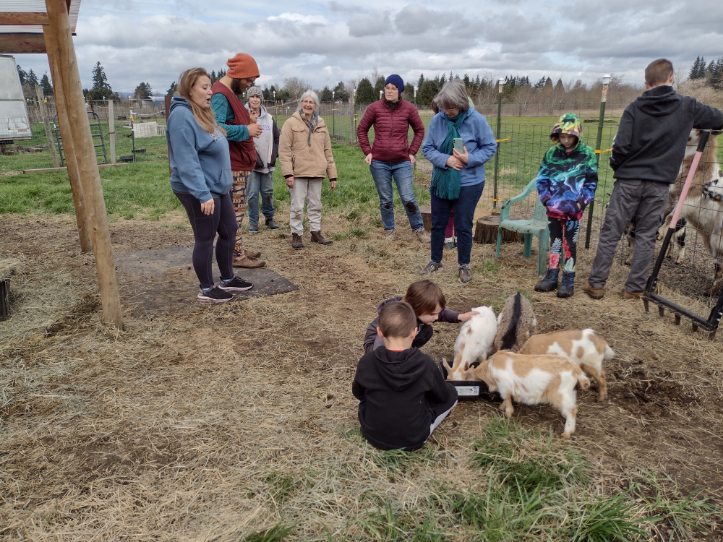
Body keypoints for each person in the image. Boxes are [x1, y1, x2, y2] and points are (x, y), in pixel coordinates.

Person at [584, 59, 723, 300]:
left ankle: (597, 284)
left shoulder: (634, 108)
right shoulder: (687, 107)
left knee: (611, 232)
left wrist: (620, 167)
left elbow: (620, 147)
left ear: (646, 83)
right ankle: (634, 288)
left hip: (628, 181)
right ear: (671, 79)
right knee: (647, 236)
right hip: (660, 184)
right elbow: (719, 120)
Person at [167, 68, 253, 303]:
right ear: (189, 89)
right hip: (198, 188)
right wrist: (202, 194)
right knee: (205, 236)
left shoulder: (202, 112)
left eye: (210, 86)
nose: (210, 92)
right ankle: (206, 288)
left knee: (229, 230)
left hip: (218, 185)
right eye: (204, 87)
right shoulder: (182, 117)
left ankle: (227, 278)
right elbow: (186, 161)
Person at [353, 300, 458, 451]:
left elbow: (358, 393)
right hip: (414, 439)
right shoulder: (426, 364)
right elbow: (442, 397)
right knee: (452, 394)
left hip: (372, 435)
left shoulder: (366, 361)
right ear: (414, 332)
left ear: (380, 332)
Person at [422, 80, 497, 283]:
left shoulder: (476, 120)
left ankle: (464, 265)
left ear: (462, 103)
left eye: (452, 107)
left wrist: (469, 159)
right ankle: (435, 260)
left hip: (469, 183)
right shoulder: (438, 120)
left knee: (463, 224)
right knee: (438, 223)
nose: (447, 111)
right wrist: (445, 160)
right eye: (444, 107)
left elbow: (490, 147)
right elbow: (427, 148)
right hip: (442, 181)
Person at [357, 74, 428, 242]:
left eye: (393, 88)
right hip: (379, 163)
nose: (389, 91)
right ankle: (389, 230)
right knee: (386, 199)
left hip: (402, 162)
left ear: (399, 91)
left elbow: (419, 130)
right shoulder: (374, 108)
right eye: (387, 88)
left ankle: (418, 229)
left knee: (408, 197)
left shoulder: (409, 108)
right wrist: (368, 152)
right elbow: (361, 129)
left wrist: (412, 152)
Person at [533, 113, 598, 298]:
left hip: (573, 211)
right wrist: (546, 199)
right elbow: (542, 178)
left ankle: (568, 279)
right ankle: (551, 275)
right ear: (557, 135)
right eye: (562, 136)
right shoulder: (551, 153)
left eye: (570, 136)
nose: (566, 140)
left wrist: (580, 203)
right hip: (553, 209)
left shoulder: (588, 155)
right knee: (555, 242)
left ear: (577, 135)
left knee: (570, 244)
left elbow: (591, 183)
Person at [211, 52, 265, 269]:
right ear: (238, 75)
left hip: (239, 163)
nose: (249, 85)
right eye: (248, 80)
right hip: (232, 165)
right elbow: (216, 128)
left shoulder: (228, 94)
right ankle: (235, 255)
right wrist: (247, 129)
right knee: (235, 212)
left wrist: (245, 119)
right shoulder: (220, 95)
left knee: (238, 211)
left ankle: (237, 247)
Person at [279, 90, 338, 249]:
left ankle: (315, 232)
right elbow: (284, 150)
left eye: (311, 102)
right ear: (300, 103)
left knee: (316, 204)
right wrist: (288, 173)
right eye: (305, 101)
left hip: (317, 171)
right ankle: (296, 234)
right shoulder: (291, 123)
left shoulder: (321, 124)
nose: (308, 104)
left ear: (316, 105)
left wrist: (332, 176)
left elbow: (328, 151)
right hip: (298, 172)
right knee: (297, 206)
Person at [363, 279, 475, 353]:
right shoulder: (397, 319)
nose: (437, 317)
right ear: (417, 309)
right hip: (376, 343)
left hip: (399, 336)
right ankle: (400, 354)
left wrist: (460, 316)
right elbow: (380, 344)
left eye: (437, 313)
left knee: (427, 331)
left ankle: (406, 351)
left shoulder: (417, 312)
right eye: (432, 314)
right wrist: (382, 360)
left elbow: (442, 313)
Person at [245, 86, 280, 233]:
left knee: (267, 192)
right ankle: (253, 223)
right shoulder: (243, 116)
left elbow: (277, 138)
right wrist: (253, 157)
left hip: (266, 164)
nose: (255, 99)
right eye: (252, 96)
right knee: (252, 195)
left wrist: (273, 155)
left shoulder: (270, 119)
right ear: (248, 98)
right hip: (251, 165)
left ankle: (269, 218)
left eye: (257, 97)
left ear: (261, 99)